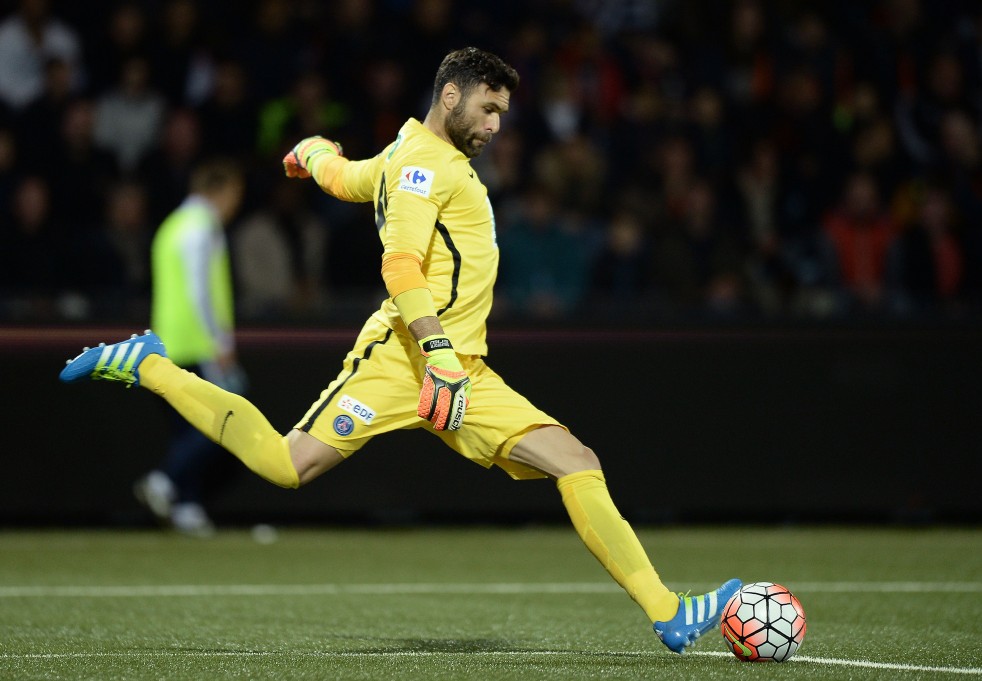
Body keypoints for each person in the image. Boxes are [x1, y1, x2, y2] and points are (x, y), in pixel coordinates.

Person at [59, 47, 739, 654]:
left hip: (462, 370)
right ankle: (148, 365)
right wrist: (437, 351)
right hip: (406, 359)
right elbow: (401, 265)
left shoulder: (403, 155)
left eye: (503, 113)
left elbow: (350, 177)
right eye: (489, 108)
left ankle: (668, 612)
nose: (497, 125)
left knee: (575, 460)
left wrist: (312, 154)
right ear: (451, 95)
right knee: (286, 465)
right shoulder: (422, 165)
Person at [131, 158, 249, 536]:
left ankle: (187, 505)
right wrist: (220, 342)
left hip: (167, 342)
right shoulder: (203, 227)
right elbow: (200, 290)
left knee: (188, 427)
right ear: (223, 191)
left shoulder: (172, 225)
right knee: (222, 417)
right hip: (198, 343)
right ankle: (165, 481)